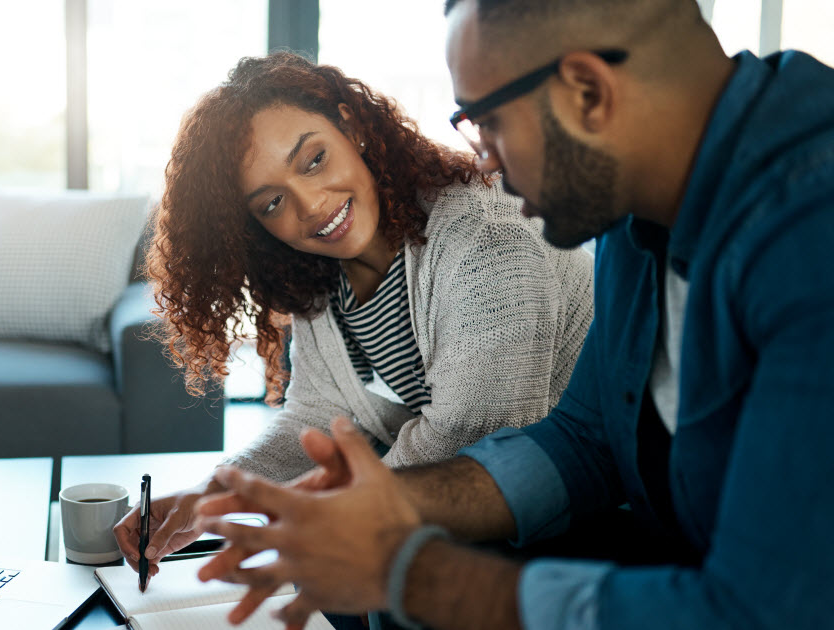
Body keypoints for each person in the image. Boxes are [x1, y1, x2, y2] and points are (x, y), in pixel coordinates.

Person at [193, 0, 834, 629]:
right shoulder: (636, 216)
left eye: (489, 121)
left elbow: (767, 609)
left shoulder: (810, 230)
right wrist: (381, 505)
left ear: (586, 91)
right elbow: (584, 442)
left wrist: (408, 573)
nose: (485, 159)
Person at [113, 52, 595, 582]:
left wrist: (309, 517)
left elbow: (468, 437)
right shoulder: (322, 280)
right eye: (272, 202)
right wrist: (214, 494)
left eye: (314, 160)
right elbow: (316, 415)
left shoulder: (487, 238)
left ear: (352, 127)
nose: (312, 206)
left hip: (585, 535)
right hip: (464, 538)